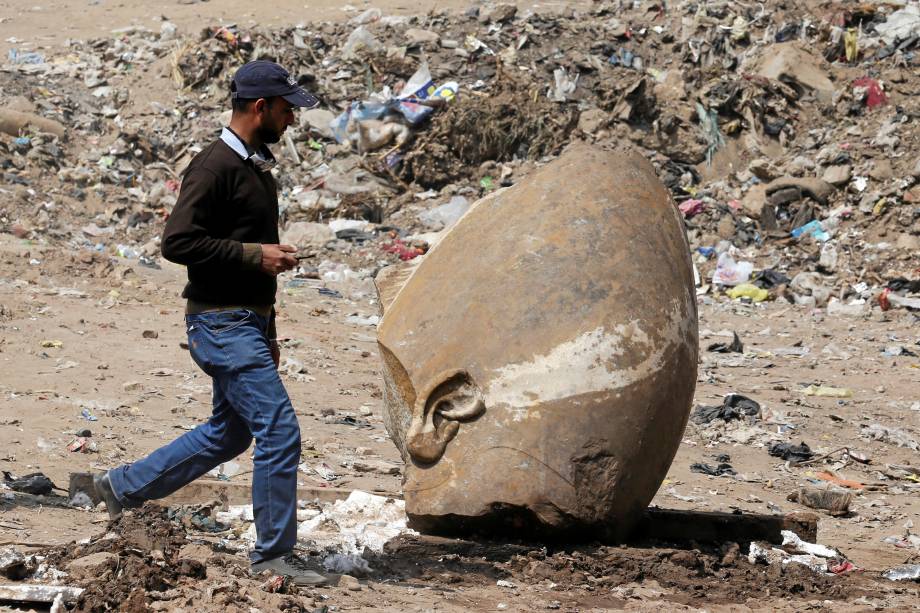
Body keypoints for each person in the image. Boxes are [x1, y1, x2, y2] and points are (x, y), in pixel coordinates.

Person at [93, 60, 327, 586]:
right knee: (280, 430)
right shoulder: (215, 165)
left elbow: (241, 248)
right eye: (287, 109)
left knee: (231, 433)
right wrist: (254, 255)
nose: (293, 119)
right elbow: (176, 242)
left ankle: (121, 488)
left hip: (246, 323)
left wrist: (268, 321)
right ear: (259, 107)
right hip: (220, 324)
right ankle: (272, 557)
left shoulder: (253, 165)